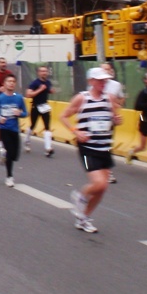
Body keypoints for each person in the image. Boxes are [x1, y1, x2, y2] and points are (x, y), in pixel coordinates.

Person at [60, 67, 122, 233]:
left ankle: (83, 218)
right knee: (99, 183)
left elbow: (115, 120)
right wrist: (76, 131)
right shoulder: (82, 98)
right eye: (100, 80)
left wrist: (117, 120)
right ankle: (80, 196)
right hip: (87, 148)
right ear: (91, 81)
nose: (103, 83)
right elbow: (63, 116)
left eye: (105, 80)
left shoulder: (109, 98)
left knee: (103, 187)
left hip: (104, 147)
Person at [0, 73, 28, 187]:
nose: (11, 83)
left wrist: (20, 113)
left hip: (15, 129)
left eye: (13, 81)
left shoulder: (18, 98)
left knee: (15, 155)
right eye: (9, 81)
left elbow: (26, 113)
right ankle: (9, 177)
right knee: (9, 152)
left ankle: (4, 156)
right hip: (4, 128)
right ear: (4, 84)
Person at [101, 62, 126, 182]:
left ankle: (108, 172)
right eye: (102, 69)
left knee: (107, 144)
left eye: (107, 69)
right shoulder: (95, 84)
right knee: (96, 144)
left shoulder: (116, 85)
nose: (105, 71)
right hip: (96, 119)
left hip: (110, 118)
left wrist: (117, 106)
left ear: (111, 71)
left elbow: (121, 98)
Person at [24, 66, 54, 157]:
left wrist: (51, 91)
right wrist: (40, 89)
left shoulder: (48, 82)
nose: (44, 73)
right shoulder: (34, 83)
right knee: (33, 125)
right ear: (38, 73)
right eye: (42, 71)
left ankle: (48, 148)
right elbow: (28, 94)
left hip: (45, 106)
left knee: (47, 126)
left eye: (45, 71)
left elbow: (49, 90)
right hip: (35, 107)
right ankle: (27, 141)